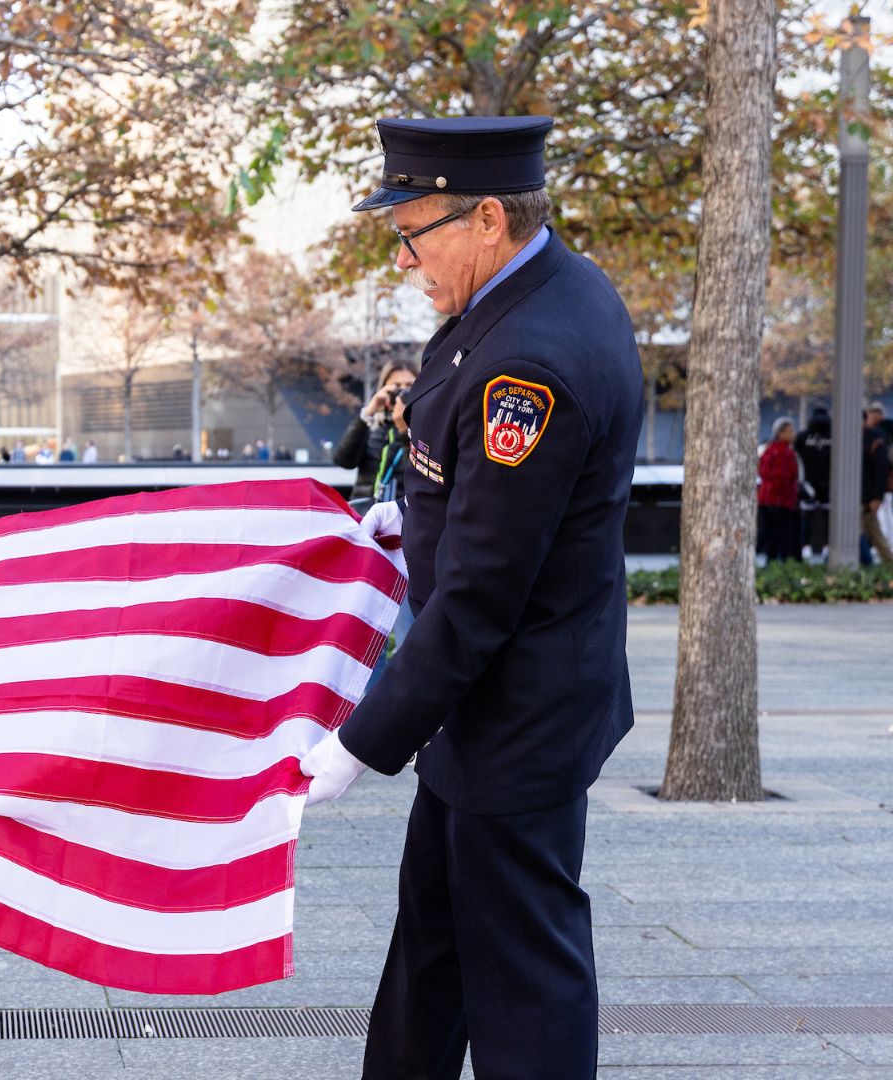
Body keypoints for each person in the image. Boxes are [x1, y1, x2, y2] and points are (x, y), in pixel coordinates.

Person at [297, 116, 643, 1080]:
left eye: (414, 233)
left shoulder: (526, 360)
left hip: (513, 715)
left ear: (486, 217)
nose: (405, 258)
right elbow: (491, 502)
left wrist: (362, 739)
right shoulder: (536, 292)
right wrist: (418, 519)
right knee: (434, 951)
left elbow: (485, 598)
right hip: (484, 716)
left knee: (526, 980)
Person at [334, 358, 419, 511]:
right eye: (396, 386)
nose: (402, 392)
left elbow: (419, 475)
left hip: (401, 518)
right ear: (384, 389)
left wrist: (404, 430)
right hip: (365, 515)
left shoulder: (423, 430)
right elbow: (344, 461)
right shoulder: (372, 426)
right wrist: (369, 411)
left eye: (409, 386)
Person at [757, 417, 800, 564]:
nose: (793, 433)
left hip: (765, 498)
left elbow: (763, 472)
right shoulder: (785, 453)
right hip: (780, 500)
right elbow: (784, 477)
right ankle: (782, 565)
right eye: (790, 430)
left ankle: (771, 563)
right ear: (780, 433)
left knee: (769, 535)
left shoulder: (768, 450)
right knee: (783, 535)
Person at [796, 406, 833, 559]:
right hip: (830, 482)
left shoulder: (803, 436)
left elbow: (797, 458)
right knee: (828, 515)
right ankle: (827, 545)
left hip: (808, 482)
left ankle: (805, 545)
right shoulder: (834, 435)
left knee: (806, 515)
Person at [863, 408, 893, 566]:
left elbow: (880, 469)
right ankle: (887, 562)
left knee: (872, 529)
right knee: (874, 530)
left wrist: (876, 495)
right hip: (869, 493)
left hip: (869, 494)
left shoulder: (875, 439)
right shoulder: (872, 438)